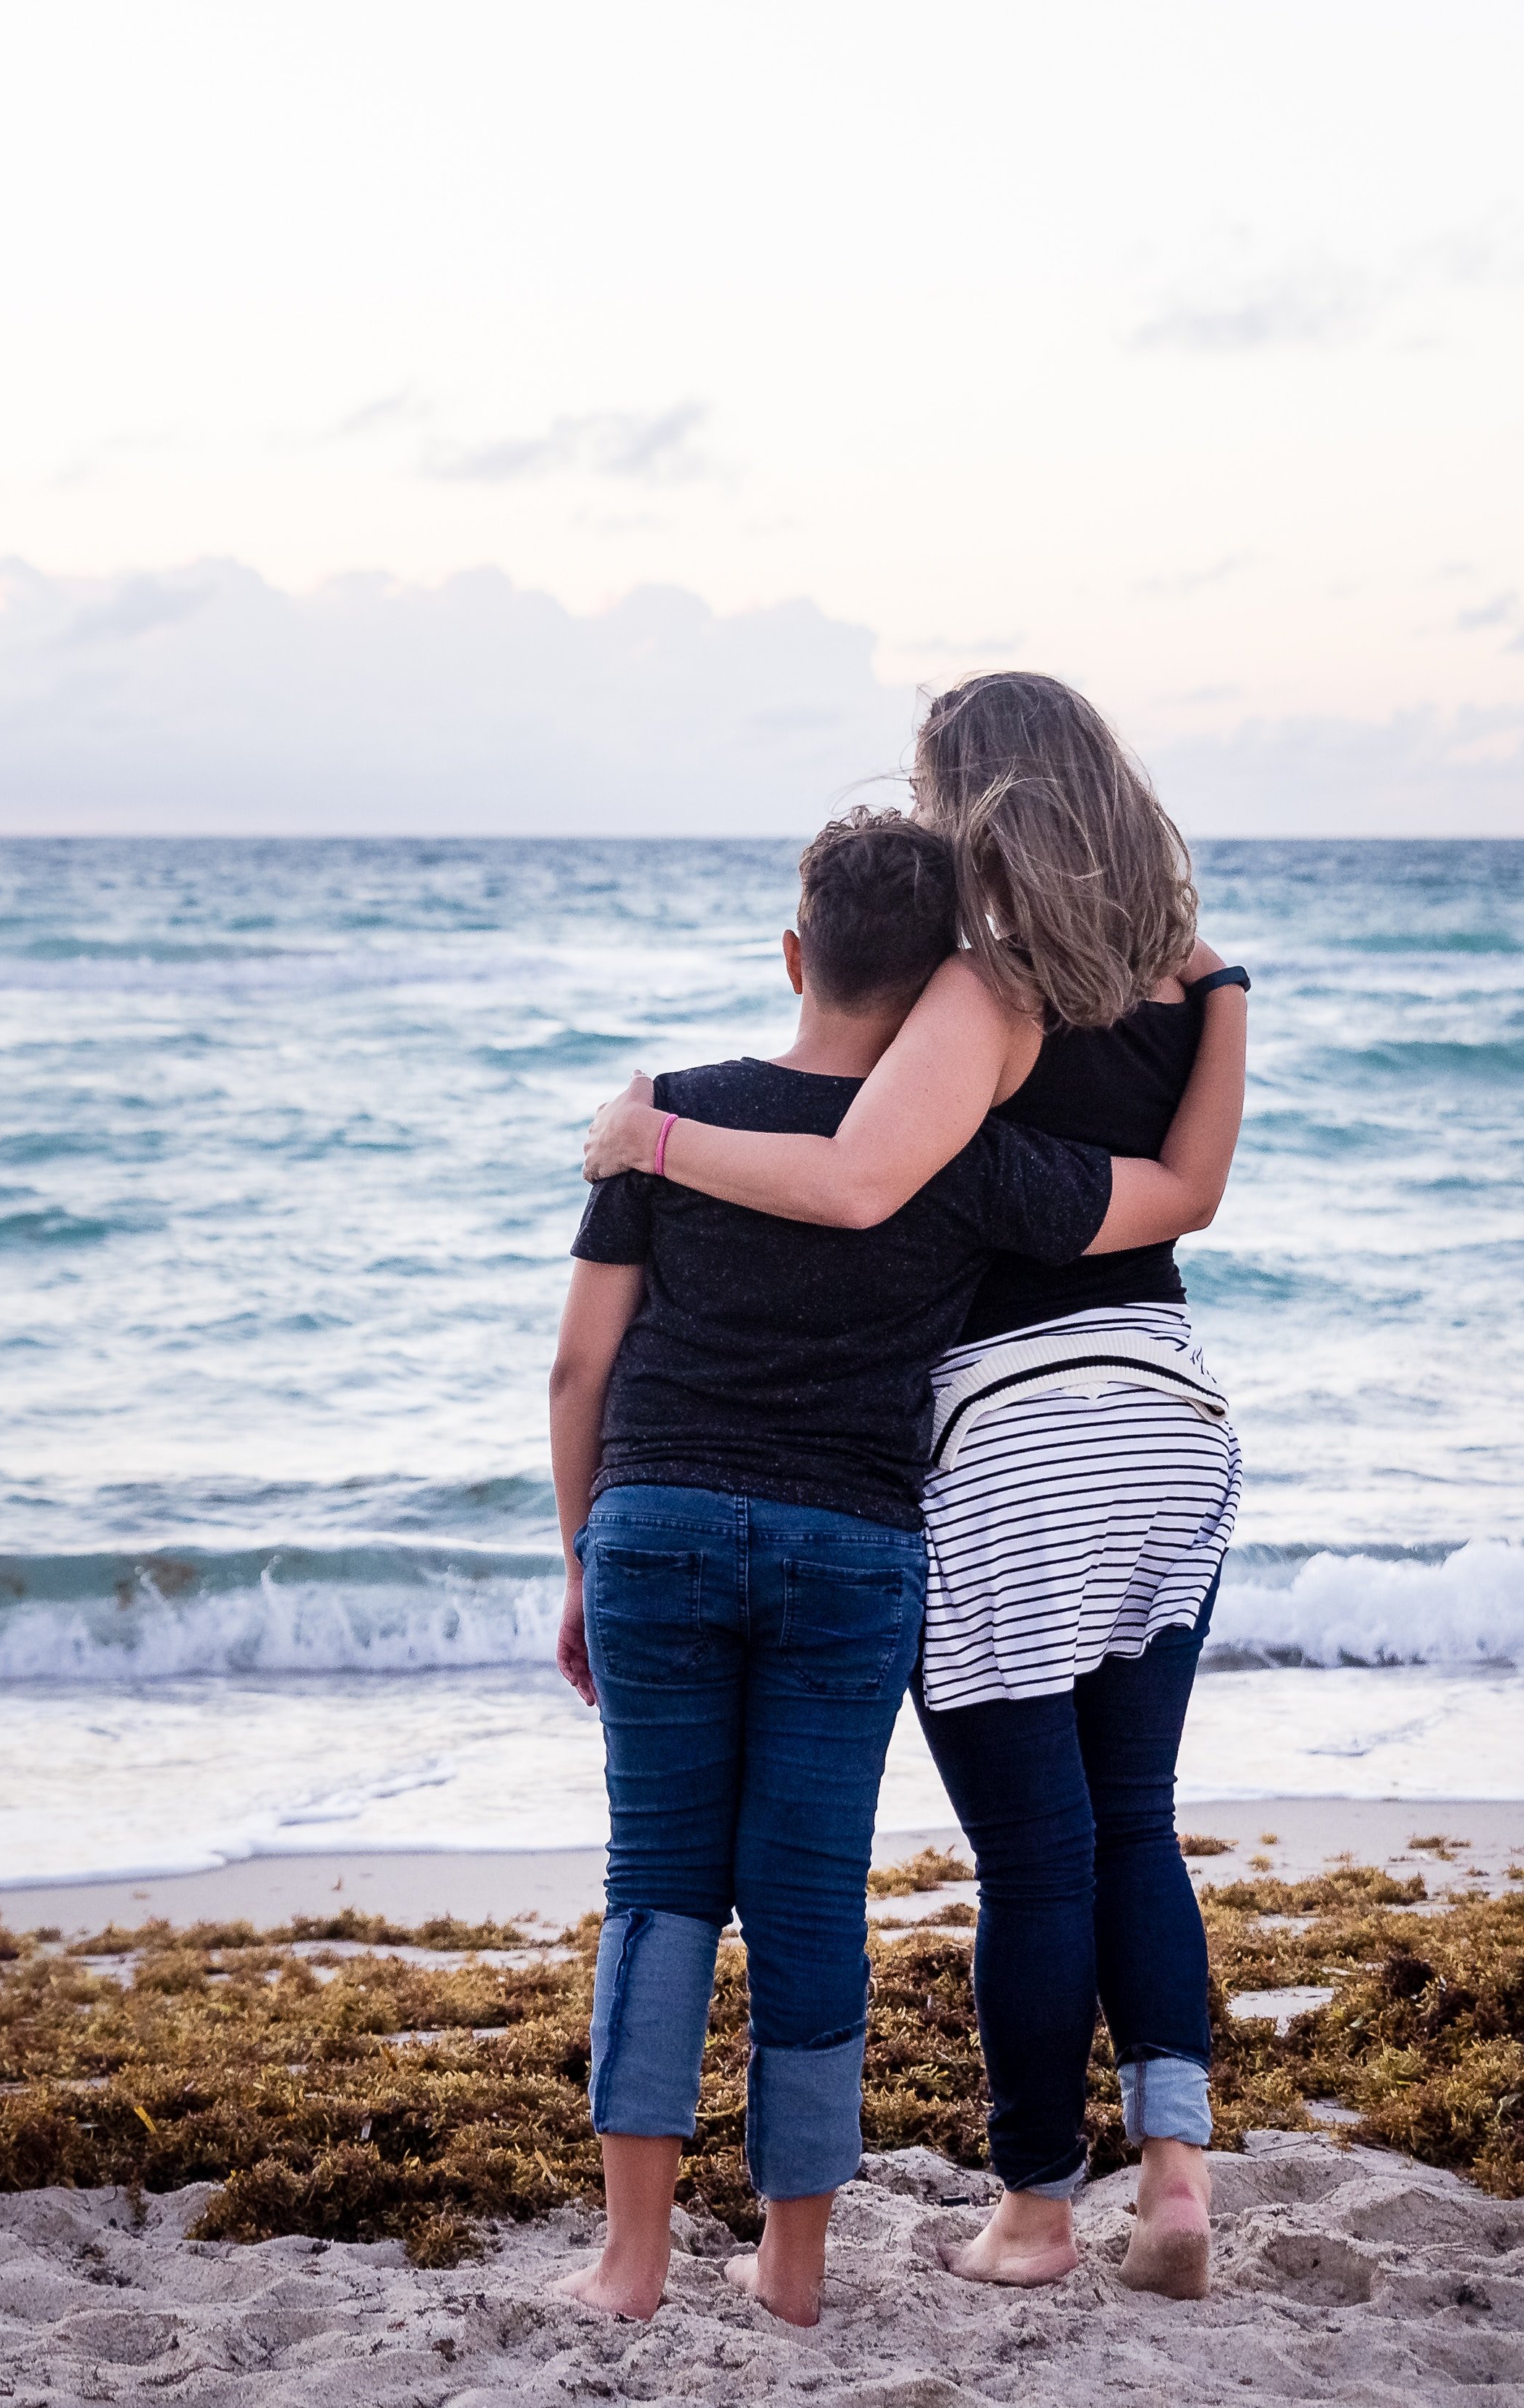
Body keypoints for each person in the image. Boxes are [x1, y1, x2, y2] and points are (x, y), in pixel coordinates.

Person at [578, 672, 1249, 2298]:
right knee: (1134, 1821)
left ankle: (1028, 2207)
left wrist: (648, 1138)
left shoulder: (991, 982)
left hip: (1007, 1439)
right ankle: (1174, 2171)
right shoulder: (1205, 976)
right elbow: (1184, 1196)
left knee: (1025, 1851)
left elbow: (867, 1173)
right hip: (1166, 1412)